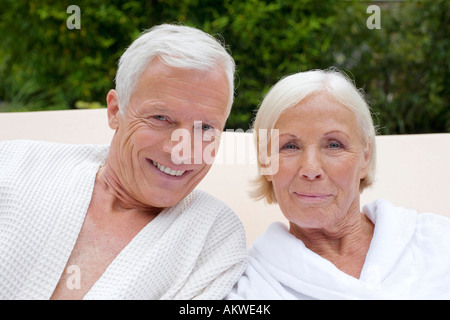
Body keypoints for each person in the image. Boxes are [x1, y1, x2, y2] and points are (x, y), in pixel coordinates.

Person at [0, 24, 247, 300]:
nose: (182, 150)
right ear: (116, 111)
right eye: (161, 118)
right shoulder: (14, 166)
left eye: (205, 129)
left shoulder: (214, 236)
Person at [227, 69, 450, 299]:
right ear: (265, 162)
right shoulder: (244, 289)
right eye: (289, 146)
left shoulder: (439, 242)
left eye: (333, 145)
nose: (311, 170)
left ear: (365, 158)